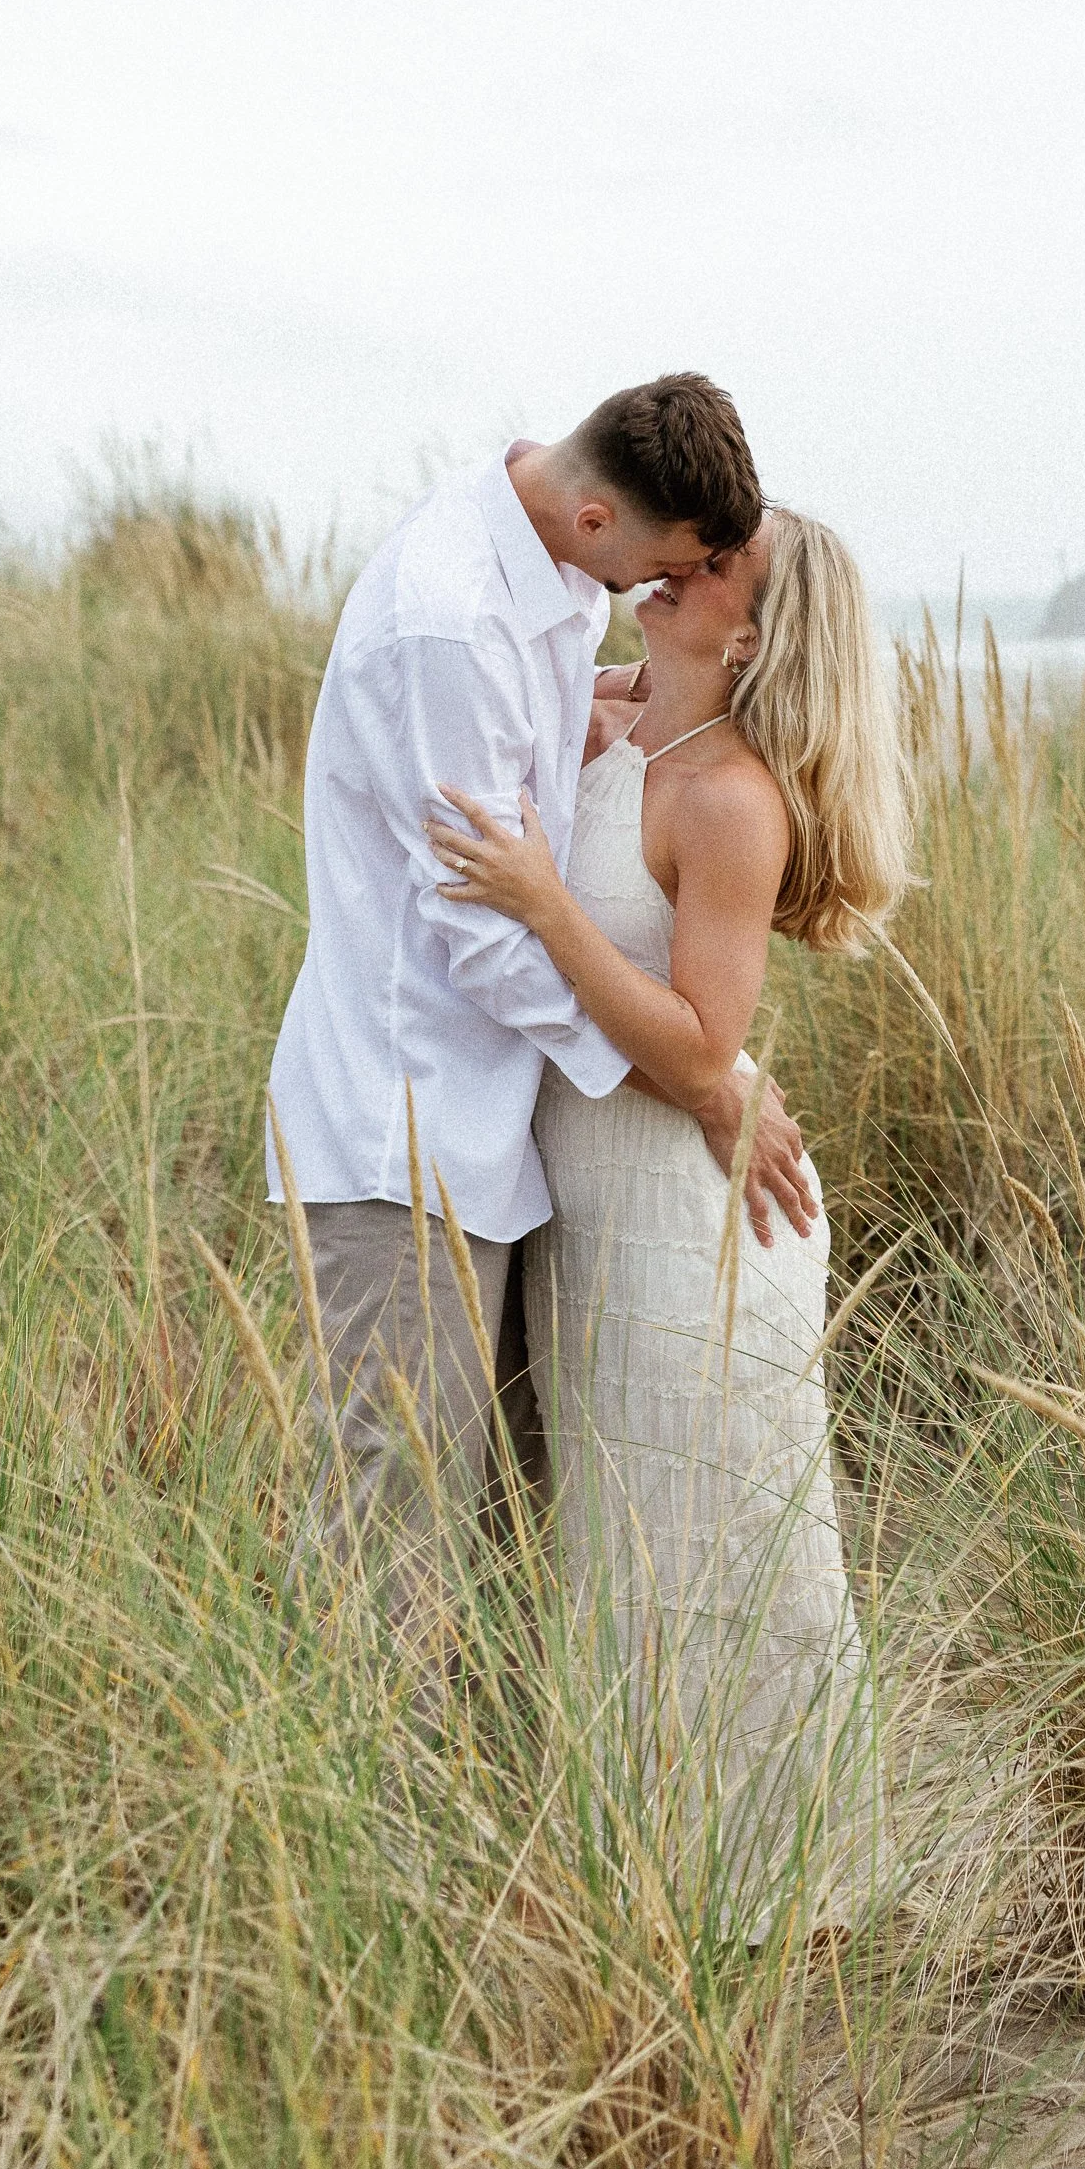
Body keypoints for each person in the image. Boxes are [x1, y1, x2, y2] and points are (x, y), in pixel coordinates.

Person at [265, 374, 814, 1628]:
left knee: (515, 1539)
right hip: (405, 1134)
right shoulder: (452, 622)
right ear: (593, 525)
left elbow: (559, 756)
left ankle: (503, 1819)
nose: (647, 599)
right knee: (390, 1539)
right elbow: (484, 938)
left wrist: (618, 721)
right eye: (654, 571)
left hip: (503, 1146)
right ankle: (351, 1826)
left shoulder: (553, 558)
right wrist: (695, 1078)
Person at [425, 504, 911, 1919]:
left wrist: (541, 901)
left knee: (714, 1546)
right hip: (594, 1193)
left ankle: (773, 1898)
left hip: (689, 1218)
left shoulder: (730, 800)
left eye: (713, 565)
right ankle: (638, 1878)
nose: (674, 561)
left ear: (751, 630)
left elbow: (701, 1047)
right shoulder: (625, 722)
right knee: (613, 1548)